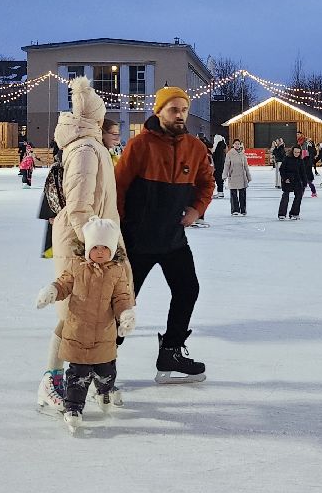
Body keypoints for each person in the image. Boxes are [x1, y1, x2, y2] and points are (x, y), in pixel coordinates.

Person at [114, 86, 214, 383]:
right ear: (158, 112)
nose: (180, 114)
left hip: (173, 240)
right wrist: (117, 232)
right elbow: (118, 188)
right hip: (137, 241)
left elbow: (207, 183)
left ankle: (170, 351)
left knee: (188, 290)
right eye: (173, 109)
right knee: (122, 302)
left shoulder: (195, 148)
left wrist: (197, 209)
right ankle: (102, 359)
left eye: (183, 109)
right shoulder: (139, 145)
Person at [39, 76, 124, 415]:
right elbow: (78, 208)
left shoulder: (90, 147)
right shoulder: (87, 150)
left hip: (89, 240)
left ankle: (82, 377)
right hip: (81, 244)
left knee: (87, 315)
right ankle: (53, 378)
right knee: (73, 316)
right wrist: (97, 247)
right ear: (94, 118)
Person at [35, 216, 136, 433]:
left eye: (105, 248)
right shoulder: (76, 268)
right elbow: (63, 284)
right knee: (77, 376)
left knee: (106, 370)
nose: (100, 252)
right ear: (87, 247)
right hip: (77, 333)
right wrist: (52, 290)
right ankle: (73, 408)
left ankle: (105, 391)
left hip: (104, 334)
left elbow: (121, 298)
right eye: (95, 247)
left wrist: (126, 314)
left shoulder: (117, 272)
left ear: (112, 249)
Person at [222, 139, 251, 215]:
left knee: (242, 194)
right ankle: (235, 210)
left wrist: (248, 176)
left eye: (238, 144)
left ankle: (243, 210)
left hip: (242, 176)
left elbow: (246, 166)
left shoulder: (242, 154)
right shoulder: (230, 154)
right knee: (233, 194)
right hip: (233, 175)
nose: (237, 145)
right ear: (233, 145)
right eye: (236, 144)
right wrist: (224, 175)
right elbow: (227, 165)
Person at [278, 144, 307, 220]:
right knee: (285, 197)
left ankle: (294, 213)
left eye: (298, 152)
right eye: (295, 152)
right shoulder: (287, 159)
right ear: (292, 152)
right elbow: (281, 169)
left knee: (298, 197)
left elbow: (303, 172)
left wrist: (304, 182)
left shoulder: (300, 160)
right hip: (288, 180)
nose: (297, 154)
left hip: (297, 180)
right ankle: (282, 214)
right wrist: (285, 178)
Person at [211, 134, 228, 199]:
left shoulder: (217, 147)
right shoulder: (223, 146)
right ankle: (220, 192)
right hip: (222, 165)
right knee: (220, 180)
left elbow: (214, 155)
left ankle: (218, 192)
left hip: (217, 166)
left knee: (215, 179)